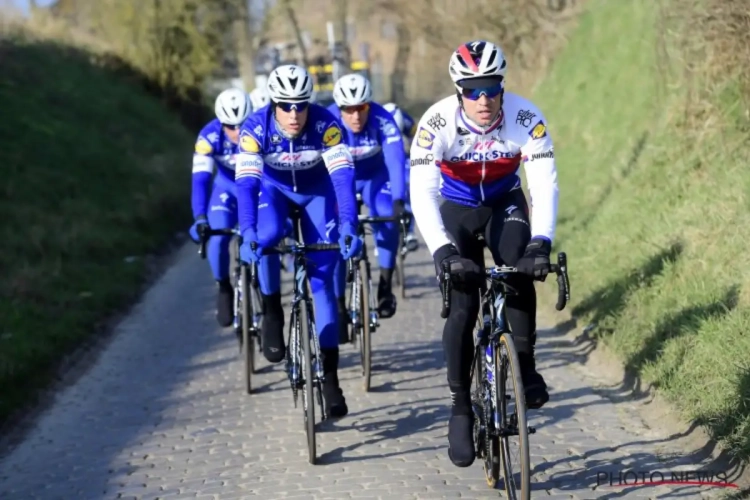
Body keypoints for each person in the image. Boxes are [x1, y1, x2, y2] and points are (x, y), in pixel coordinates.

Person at [409, 40, 559, 468]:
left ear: (502, 86)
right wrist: (441, 251)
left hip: (503, 202)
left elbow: (544, 183)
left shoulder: (525, 117)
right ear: (459, 91)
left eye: (491, 87)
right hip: (456, 209)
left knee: (518, 266)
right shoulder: (436, 122)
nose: (484, 99)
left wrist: (541, 241)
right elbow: (421, 192)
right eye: (473, 90)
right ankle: (460, 404)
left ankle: (525, 366)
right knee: (462, 303)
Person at [234, 64, 362, 417]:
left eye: (301, 105)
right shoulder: (255, 128)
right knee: (269, 235)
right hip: (274, 193)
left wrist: (349, 224)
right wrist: (247, 232)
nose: (294, 114)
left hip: (316, 193)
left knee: (321, 281)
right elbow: (246, 185)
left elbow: (343, 178)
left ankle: (331, 378)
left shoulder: (326, 125)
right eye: (286, 105)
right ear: (273, 103)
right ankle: (272, 309)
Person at [327, 74, 407, 343]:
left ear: (369, 105)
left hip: (376, 177)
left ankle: (385, 286)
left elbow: (396, 159)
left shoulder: (383, 119)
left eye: (361, 108)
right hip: (339, 180)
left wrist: (399, 199)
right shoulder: (326, 122)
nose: (355, 116)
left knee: (388, 217)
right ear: (339, 109)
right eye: (348, 110)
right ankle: (339, 306)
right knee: (337, 237)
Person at [189, 88, 252, 328]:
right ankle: (224, 286)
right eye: (230, 126)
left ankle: (268, 295)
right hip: (225, 189)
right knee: (218, 238)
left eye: (241, 125)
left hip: (256, 187)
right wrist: (200, 217)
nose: (236, 132)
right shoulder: (208, 136)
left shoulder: (262, 129)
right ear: (220, 122)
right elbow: (201, 179)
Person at [383, 102, 419, 252]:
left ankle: (409, 231)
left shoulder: (406, 120)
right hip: (383, 155)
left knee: (409, 185)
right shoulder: (378, 121)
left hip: (405, 155)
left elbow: (417, 139)